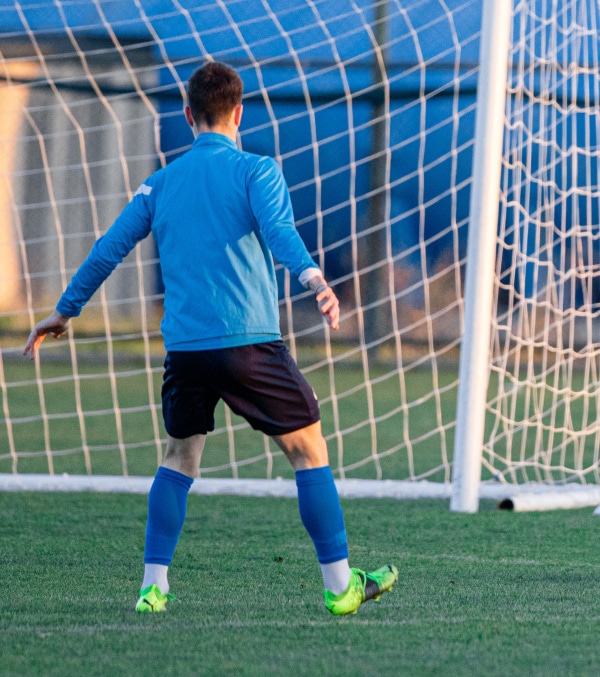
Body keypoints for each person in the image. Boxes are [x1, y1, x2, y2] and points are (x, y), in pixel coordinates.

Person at [23, 61, 397, 615]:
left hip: (185, 351)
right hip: (248, 346)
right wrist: (316, 280)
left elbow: (108, 249)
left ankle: (153, 588)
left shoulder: (160, 183)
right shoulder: (257, 170)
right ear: (239, 114)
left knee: (179, 457)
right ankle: (341, 587)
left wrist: (64, 311)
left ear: (187, 114)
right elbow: (280, 231)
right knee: (308, 449)